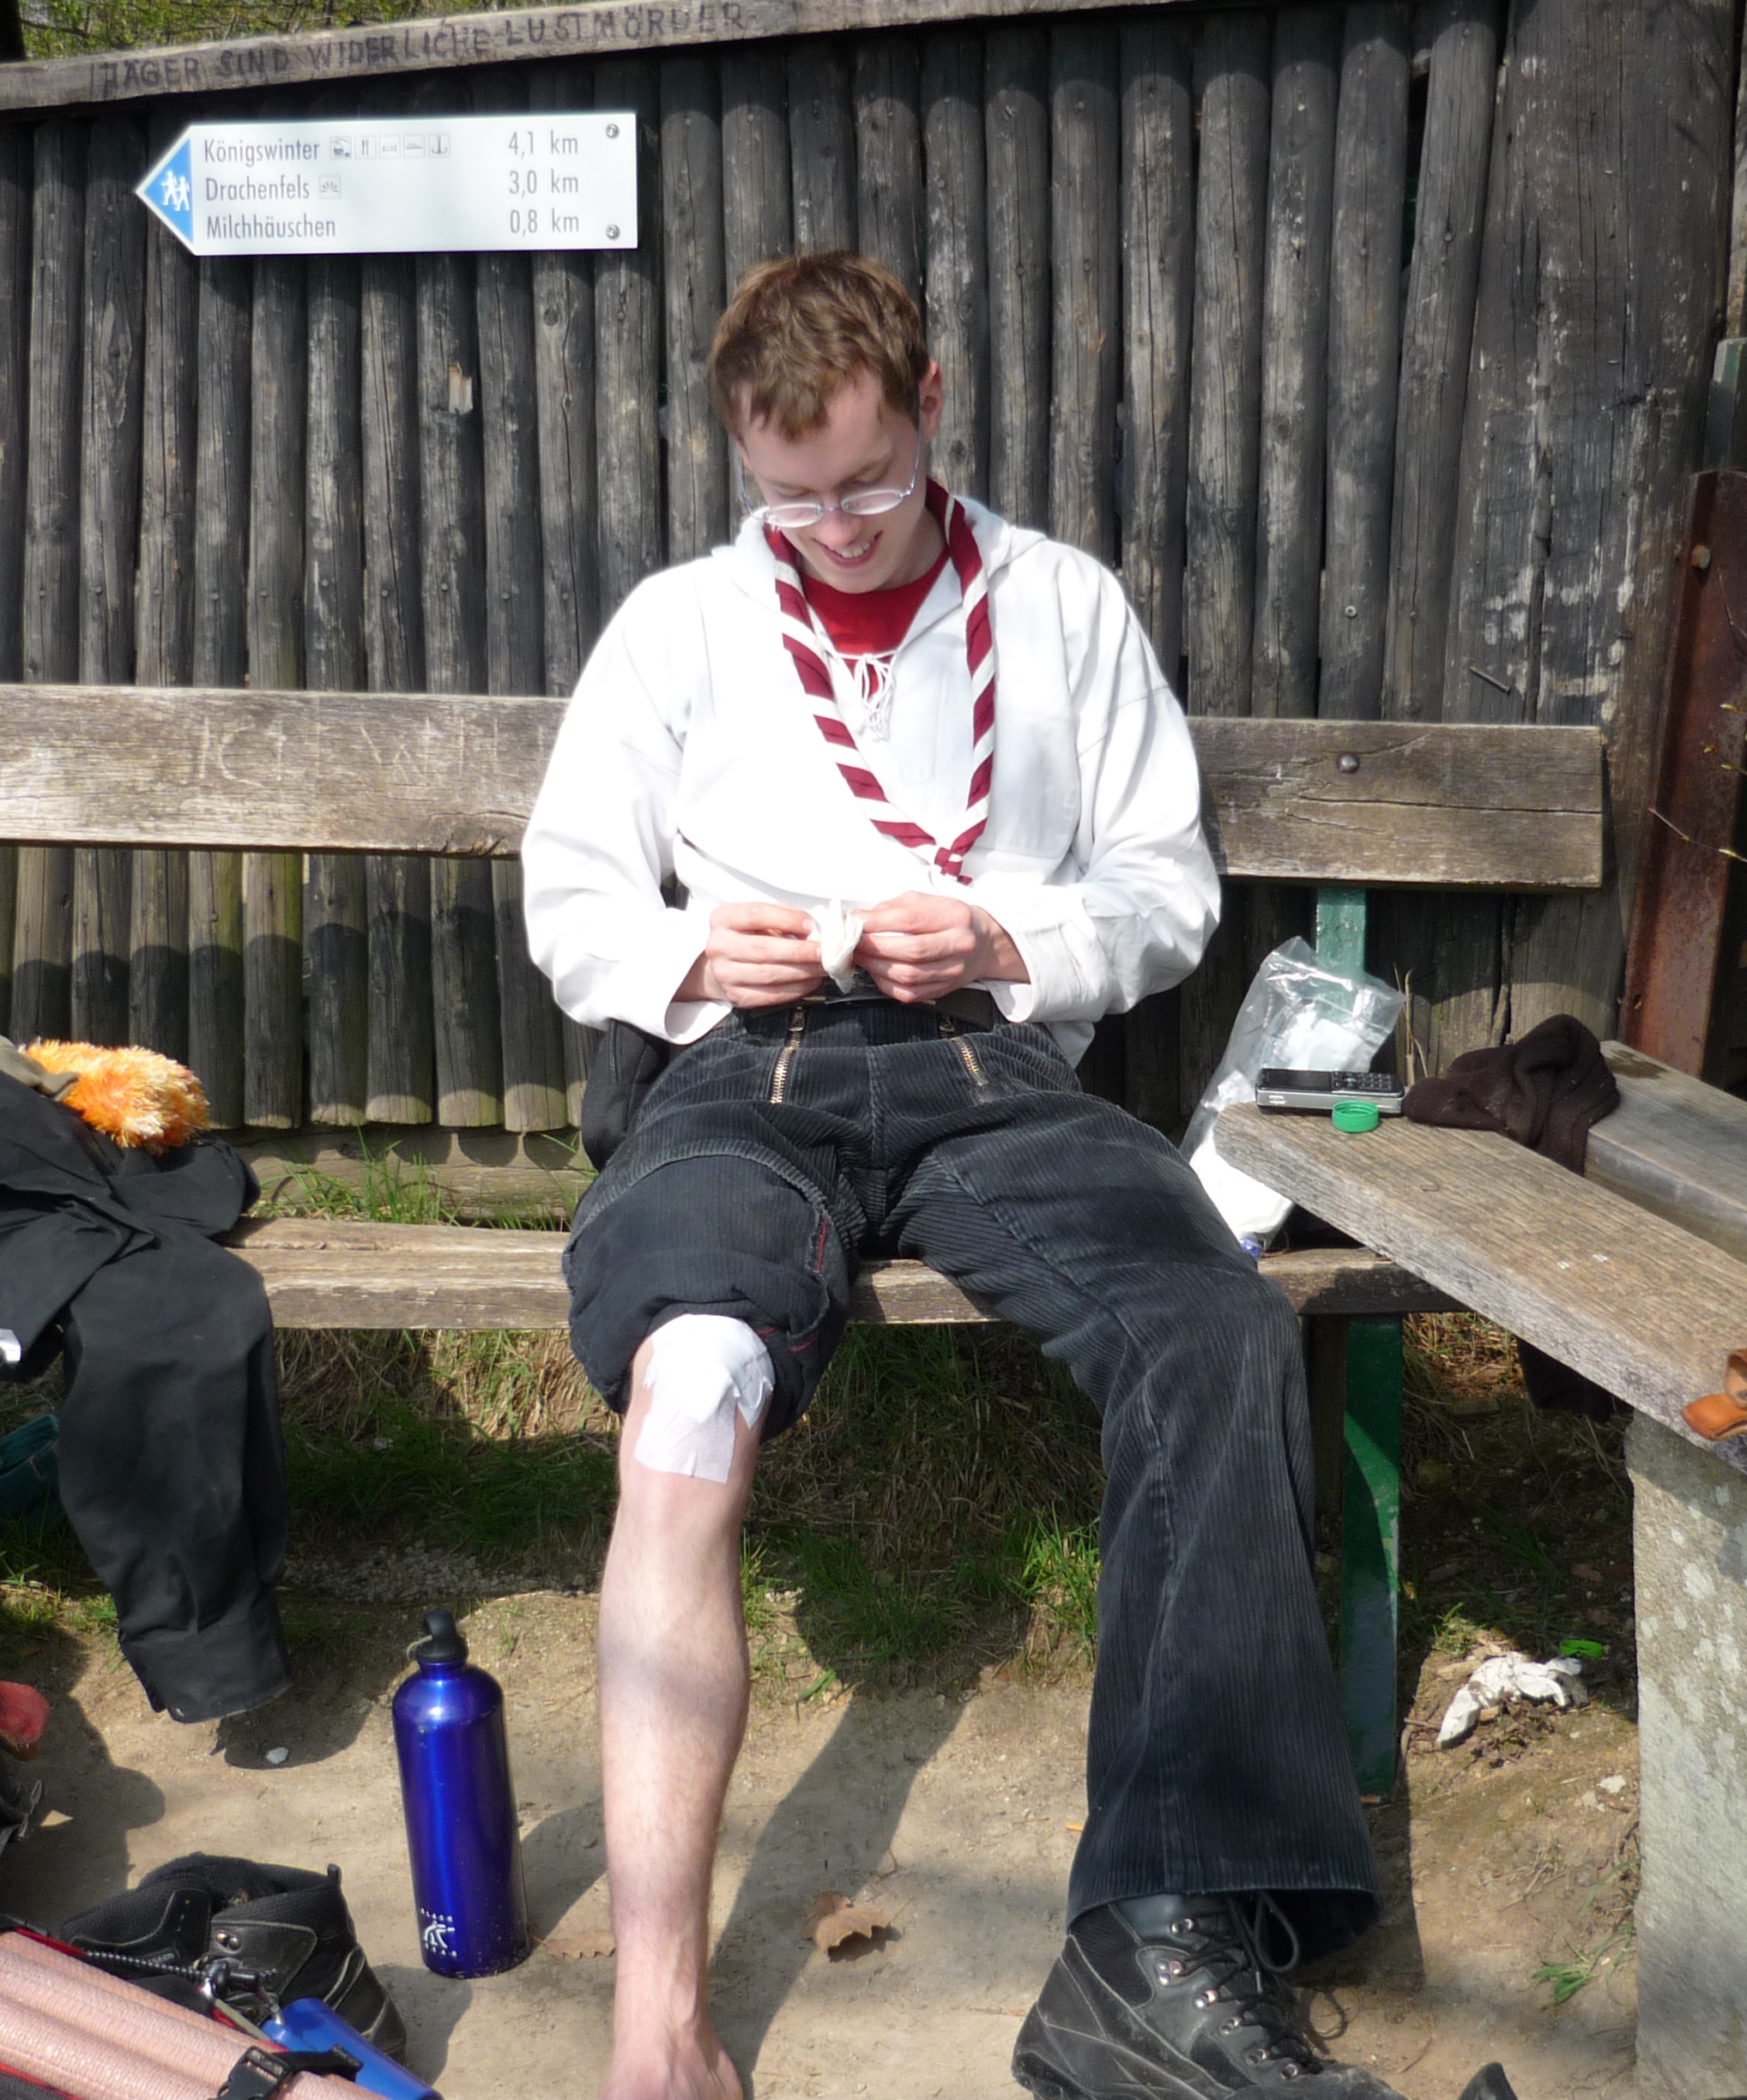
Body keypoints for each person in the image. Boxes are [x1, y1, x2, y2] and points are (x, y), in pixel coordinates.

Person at [521, 252, 1393, 2100]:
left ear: (933, 401)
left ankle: (1160, 1940)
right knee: (690, 1387)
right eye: (792, 497)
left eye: (868, 480)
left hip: (990, 1069)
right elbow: (572, 898)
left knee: (1215, 1329)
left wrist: (1006, 937)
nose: (837, 529)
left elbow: (1165, 891)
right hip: (741, 1071)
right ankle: (657, 2020)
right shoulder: (680, 627)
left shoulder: (1059, 608)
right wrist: (691, 954)